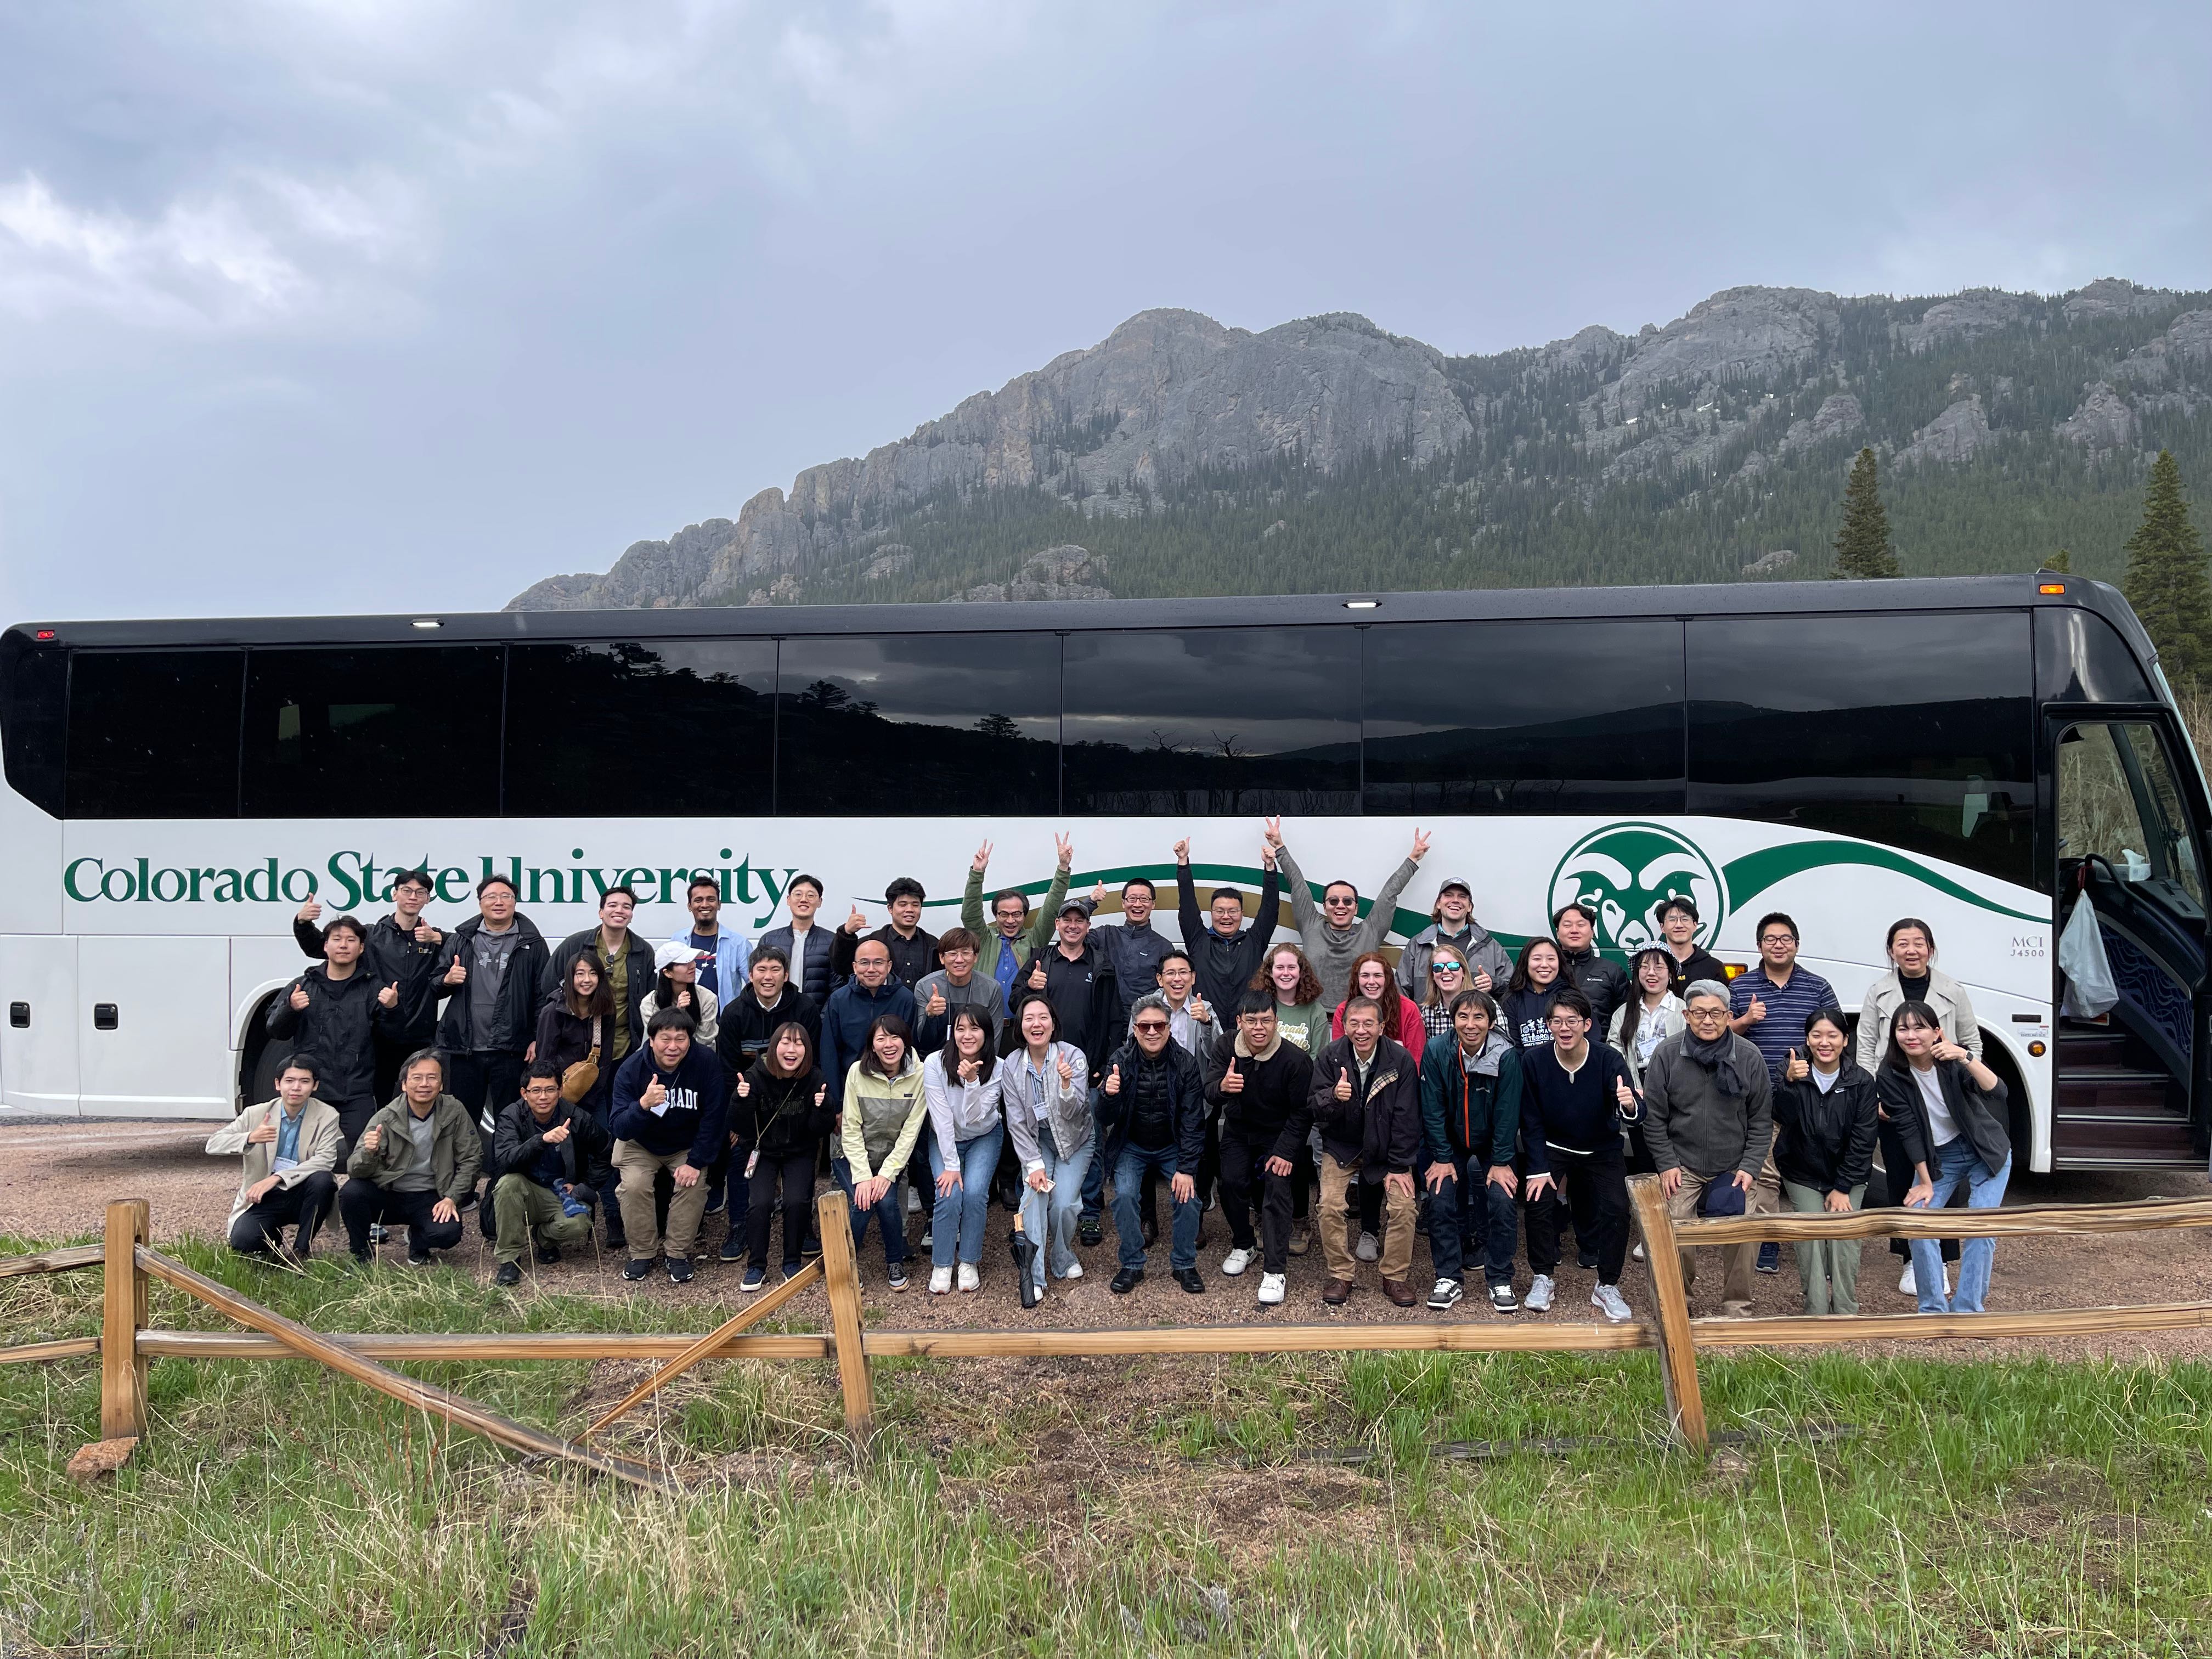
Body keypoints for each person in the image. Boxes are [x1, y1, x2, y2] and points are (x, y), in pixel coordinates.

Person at [1858, 919, 1981, 1297]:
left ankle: (1940, 1260)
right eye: (1902, 943)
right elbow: (1865, 1045)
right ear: (1891, 950)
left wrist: (1965, 1069)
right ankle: (1911, 1258)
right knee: (1900, 1176)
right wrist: (1873, 1094)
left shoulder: (1952, 991)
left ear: (1930, 948)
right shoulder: (1878, 993)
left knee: (1946, 1178)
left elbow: (1972, 1040)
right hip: (1894, 1098)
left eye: (1918, 943)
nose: (1911, 950)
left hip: (1943, 1102)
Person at [1643, 980, 1778, 1318]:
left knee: (1743, 1233)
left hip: (1734, 1164)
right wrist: (1666, 1163)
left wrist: (1749, 1167)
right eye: (1700, 1013)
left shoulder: (1748, 1056)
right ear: (1687, 1015)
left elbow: (1762, 1122)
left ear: (1729, 1015)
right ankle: (1679, 1304)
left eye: (1716, 1013)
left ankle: (1737, 1307)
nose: (1708, 1020)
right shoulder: (1667, 1054)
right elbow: (1654, 1118)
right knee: (1673, 1227)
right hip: (1682, 1164)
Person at [1877, 1001, 2012, 1315]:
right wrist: (1924, 1181)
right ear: (1894, 1034)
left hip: (1985, 1149)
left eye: (1919, 1027)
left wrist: (1965, 1057)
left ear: (1936, 1032)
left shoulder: (1952, 1059)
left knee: (1981, 1226)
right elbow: (1908, 1129)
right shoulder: (1890, 1072)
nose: (1911, 1036)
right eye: (1903, 1029)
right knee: (1918, 1222)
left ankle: (1968, 1309)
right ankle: (1933, 1310)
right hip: (1941, 1156)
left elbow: (1998, 1091)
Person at [1517, 988, 1639, 1323]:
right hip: (1554, 1147)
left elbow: (1635, 1109)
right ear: (1548, 1026)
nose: (1564, 1027)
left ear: (1587, 1024)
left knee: (1617, 1209)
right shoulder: (1534, 1061)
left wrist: (1629, 1104)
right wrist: (1538, 1168)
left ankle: (1608, 1284)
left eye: (1572, 1020)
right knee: (1538, 1200)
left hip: (1601, 1149)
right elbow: (1530, 1120)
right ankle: (1543, 1277)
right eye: (1556, 1021)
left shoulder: (1608, 1059)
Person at [1726, 911, 1832, 1277]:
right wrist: (1745, 1021)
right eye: (1770, 939)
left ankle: (1822, 1241)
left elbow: (1833, 1036)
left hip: (1810, 1096)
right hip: (1761, 1098)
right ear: (1759, 946)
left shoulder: (1817, 987)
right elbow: (1719, 1038)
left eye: (1785, 938)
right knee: (1765, 1175)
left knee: (1815, 1169)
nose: (1778, 944)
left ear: (1797, 945)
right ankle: (1768, 1240)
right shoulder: (1741, 988)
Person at [292, 867, 445, 1103]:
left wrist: (438, 939)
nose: (413, 897)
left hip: (420, 1036)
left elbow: (467, 947)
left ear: (428, 899)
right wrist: (303, 923)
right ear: (395, 895)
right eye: (407, 891)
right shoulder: (371, 935)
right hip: (378, 1035)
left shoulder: (433, 938)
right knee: (381, 1101)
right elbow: (318, 948)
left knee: (420, 1101)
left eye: (420, 892)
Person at [1308, 994, 1423, 1307]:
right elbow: (1313, 1109)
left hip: (1387, 1151)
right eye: (1354, 1023)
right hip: (1342, 1147)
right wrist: (1333, 1096)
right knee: (1329, 1205)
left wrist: (1399, 1166)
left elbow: (1407, 1117)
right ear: (1344, 1026)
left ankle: (1395, 1277)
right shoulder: (1329, 1058)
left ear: (1382, 1027)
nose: (1362, 1030)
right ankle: (1341, 1274)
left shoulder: (1400, 1061)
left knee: (1404, 1207)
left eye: (1369, 1023)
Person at [264, 915, 406, 1156]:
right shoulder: (303, 986)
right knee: (301, 1156)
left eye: (351, 940)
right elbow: (275, 1030)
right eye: (337, 939)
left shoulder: (374, 988)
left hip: (357, 1092)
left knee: (367, 1157)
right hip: (312, 1091)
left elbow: (394, 1037)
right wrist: (290, 1008)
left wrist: (393, 1010)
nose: (343, 945)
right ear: (325, 946)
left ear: (361, 948)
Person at [1205, 990, 1314, 1306]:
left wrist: (1286, 1151)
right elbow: (1210, 1090)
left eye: (1266, 1020)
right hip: (1239, 1130)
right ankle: (1244, 1244)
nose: (1259, 1028)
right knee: (1230, 1182)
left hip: (1279, 1134)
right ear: (1239, 1021)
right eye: (1251, 1021)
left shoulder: (1295, 1060)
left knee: (1277, 1188)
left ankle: (1275, 1270)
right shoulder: (1226, 1046)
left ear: (1276, 1021)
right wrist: (1223, 1088)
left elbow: (1303, 1113)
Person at [1098, 991, 1209, 1295]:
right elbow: (1105, 1117)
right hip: (1131, 1145)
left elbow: (1192, 1121)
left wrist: (1186, 1168)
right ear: (1134, 1029)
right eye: (1144, 1026)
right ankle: (1133, 1263)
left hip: (1171, 1144)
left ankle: (1185, 1263)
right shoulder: (1119, 1061)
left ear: (1169, 1028)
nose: (1151, 1032)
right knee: (1123, 1196)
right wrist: (1110, 1094)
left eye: (1158, 1026)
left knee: (1188, 1197)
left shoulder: (1185, 1063)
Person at [1418, 990, 1522, 1313]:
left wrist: (1503, 1161)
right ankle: (1448, 1276)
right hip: (1449, 1142)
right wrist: (1443, 1157)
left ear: (1491, 1022)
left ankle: (1500, 1278)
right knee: (1439, 1196)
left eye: (1479, 1017)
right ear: (1453, 1020)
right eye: (1463, 1016)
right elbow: (1431, 1109)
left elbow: (1508, 1113)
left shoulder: (1506, 1054)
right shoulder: (1436, 1050)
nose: (1471, 1024)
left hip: (1494, 1143)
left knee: (1503, 1201)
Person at [608, 1007, 728, 1284]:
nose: (673, 1047)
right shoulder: (631, 1069)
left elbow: (715, 1117)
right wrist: (642, 1105)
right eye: (665, 1039)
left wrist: (696, 1161)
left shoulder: (706, 1062)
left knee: (693, 1185)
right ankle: (641, 1253)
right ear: (651, 1040)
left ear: (690, 1040)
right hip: (641, 1144)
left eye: (680, 1039)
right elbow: (618, 1127)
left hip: (686, 1144)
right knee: (634, 1185)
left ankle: (677, 1254)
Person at [1773, 1008, 1880, 1315]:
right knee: (1811, 1238)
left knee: (1844, 1240)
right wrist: (1790, 1084)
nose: (1825, 1043)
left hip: (1847, 1175)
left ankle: (1846, 1310)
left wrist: (1843, 1187)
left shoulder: (1861, 1081)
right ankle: (1816, 1310)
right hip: (1802, 1171)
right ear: (1807, 1039)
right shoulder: (1791, 1069)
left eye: (1833, 1035)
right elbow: (1781, 1116)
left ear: (1845, 1040)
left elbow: (1864, 1140)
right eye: (1817, 1035)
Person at [430, 875, 550, 1137]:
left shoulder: (533, 943)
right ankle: (463, 1176)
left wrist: (536, 1039)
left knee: (510, 1121)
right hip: (465, 1047)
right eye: (491, 897)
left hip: (511, 1048)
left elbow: (544, 996)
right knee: (461, 1122)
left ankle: (504, 1177)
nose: (498, 902)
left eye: (506, 897)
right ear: (480, 902)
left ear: (515, 902)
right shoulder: (462, 938)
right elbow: (434, 986)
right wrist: (447, 980)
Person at [339, 1049, 481, 1267]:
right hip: (390, 1192)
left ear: (441, 1085)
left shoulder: (454, 1111)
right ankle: (361, 1253)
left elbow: (472, 1158)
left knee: (448, 1233)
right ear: (404, 1084)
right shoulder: (386, 1117)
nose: (425, 1084)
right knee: (351, 1192)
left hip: (431, 1195)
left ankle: (419, 1242)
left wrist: (451, 1197)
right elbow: (355, 1170)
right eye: (417, 1078)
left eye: (432, 1078)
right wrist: (370, 1152)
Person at [1266, 819, 1428, 1009]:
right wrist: (1279, 847)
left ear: (1356, 908)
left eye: (1348, 901)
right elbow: (1297, 884)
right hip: (1315, 1018)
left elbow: (1389, 894)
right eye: (1333, 901)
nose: (1340, 906)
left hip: (1360, 1018)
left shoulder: (1370, 931)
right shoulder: (1312, 926)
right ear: (1325, 907)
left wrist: (1413, 859)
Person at [997, 992, 1093, 1297]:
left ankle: (1063, 1257)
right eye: (1029, 1018)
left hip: (1075, 1140)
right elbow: (1016, 1121)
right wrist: (1034, 1165)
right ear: (1020, 1027)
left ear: (1053, 1024)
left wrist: (1065, 1084)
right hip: (1038, 1143)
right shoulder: (1011, 1065)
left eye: (1043, 1018)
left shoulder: (1072, 1056)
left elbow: (1075, 1112)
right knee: (1034, 1199)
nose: (1036, 1024)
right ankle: (1036, 1276)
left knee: (1064, 1204)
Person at [205, 1053, 341, 1260]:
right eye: (289, 1081)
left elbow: (326, 1159)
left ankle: (301, 1251)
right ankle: (273, 1244)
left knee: (323, 1180)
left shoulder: (328, 1115)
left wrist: (277, 1178)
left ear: (315, 1086)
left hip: (303, 1191)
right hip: (264, 1195)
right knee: (243, 1240)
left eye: (305, 1081)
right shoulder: (255, 1113)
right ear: (278, 1084)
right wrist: (250, 1137)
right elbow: (213, 1144)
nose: (296, 1088)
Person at [728, 1022, 832, 1291]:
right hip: (763, 1150)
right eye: (786, 1042)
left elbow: (819, 1130)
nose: (792, 1049)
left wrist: (823, 1110)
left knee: (796, 1201)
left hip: (799, 1151)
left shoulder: (816, 1079)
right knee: (760, 1203)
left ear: (807, 1051)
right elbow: (740, 1126)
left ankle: (792, 1262)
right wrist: (741, 1101)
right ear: (774, 1047)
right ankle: (757, 1265)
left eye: (799, 1043)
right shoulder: (754, 1076)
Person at [487, 1062, 610, 1287]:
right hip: (526, 1189)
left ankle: (544, 1238)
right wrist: (540, 1141)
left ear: (560, 1091)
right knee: (507, 1184)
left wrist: (585, 1186)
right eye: (536, 1090)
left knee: (580, 1223)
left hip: (560, 1191)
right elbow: (505, 1159)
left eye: (550, 1089)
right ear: (525, 1093)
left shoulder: (576, 1117)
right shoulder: (511, 1116)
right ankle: (509, 1259)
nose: (543, 1097)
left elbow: (607, 1150)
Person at [533, 952, 622, 1242]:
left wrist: (592, 1100)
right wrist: (557, 1102)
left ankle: (613, 1220)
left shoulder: (604, 1011)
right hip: (558, 1097)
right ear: (570, 978)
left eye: (593, 974)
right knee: (560, 1156)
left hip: (594, 1096)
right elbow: (543, 1063)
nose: (587, 980)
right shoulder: (553, 1012)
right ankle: (556, 1218)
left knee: (606, 1151)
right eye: (580, 974)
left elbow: (605, 1061)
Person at [839, 1014, 928, 1289]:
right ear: (872, 1045)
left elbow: (910, 1133)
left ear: (906, 1042)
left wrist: (887, 1175)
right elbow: (850, 1128)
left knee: (887, 1202)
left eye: (895, 1037)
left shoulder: (920, 1075)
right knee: (863, 1203)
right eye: (881, 1039)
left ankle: (894, 1261)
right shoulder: (857, 1073)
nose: (889, 1045)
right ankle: (845, 1265)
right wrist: (864, 1176)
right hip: (851, 1156)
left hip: (891, 1158)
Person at [920, 1006, 1004, 1295]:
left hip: (984, 1135)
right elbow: (941, 1118)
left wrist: (972, 1082)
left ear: (987, 1033)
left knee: (976, 1192)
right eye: (960, 1029)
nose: (967, 1036)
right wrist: (952, 1165)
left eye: (975, 1029)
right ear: (952, 1032)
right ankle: (943, 1263)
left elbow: (975, 1118)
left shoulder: (998, 1066)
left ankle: (969, 1261)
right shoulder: (934, 1063)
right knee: (948, 1191)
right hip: (944, 1138)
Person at [544, 887, 655, 1075]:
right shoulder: (574, 945)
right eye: (613, 905)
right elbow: (548, 987)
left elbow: (651, 998)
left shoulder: (643, 951)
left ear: (632, 915)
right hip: (575, 1047)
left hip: (623, 1047)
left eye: (626, 907)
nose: (620, 910)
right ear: (601, 912)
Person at [1174, 833, 1281, 1020]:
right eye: (1220, 911)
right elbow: (1188, 905)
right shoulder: (1198, 940)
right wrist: (1183, 863)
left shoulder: (1254, 941)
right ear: (1211, 913)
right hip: (1205, 1027)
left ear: (1241, 914)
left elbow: (1270, 910)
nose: (1226, 917)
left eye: (1233, 911)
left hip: (1247, 1028)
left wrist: (1270, 868)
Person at [962, 837, 1074, 1015]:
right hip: (986, 1026)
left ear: (1024, 915)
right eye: (1004, 914)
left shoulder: (1035, 939)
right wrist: (977, 874)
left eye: (1017, 914)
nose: (1010, 921)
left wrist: (1063, 868)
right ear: (996, 915)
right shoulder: (983, 938)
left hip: (1024, 1026)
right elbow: (970, 914)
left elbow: (1052, 909)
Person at [819, 938, 918, 1110]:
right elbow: (830, 1052)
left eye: (878, 963)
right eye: (864, 963)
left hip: (893, 1095)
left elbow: (911, 1050)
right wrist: (836, 1104)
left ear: (889, 966)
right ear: (855, 966)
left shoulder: (905, 999)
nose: (871, 969)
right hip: (849, 1092)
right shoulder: (839, 999)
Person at [1397, 876, 1513, 1002]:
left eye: (1462, 897)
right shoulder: (1417, 945)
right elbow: (1401, 993)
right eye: (1449, 895)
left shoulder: (1490, 946)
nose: (1455, 900)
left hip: (1474, 1021)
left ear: (1470, 907)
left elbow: (1513, 990)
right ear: (1438, 904)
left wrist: (1494, 984)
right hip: (1428, 1021)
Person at [1086, 875, 1176, 1017]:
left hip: (1142, 1027)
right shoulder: (1105, 934)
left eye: (1144, 899)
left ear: (1153, 904)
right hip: (1103, 1024)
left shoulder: (1164, 947)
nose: (1138, 904)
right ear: (1123, 903)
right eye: (1132, 899)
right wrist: (1090, 903)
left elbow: (1170, 993)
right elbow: (1073, 934)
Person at [833, 876, 939, 990]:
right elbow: (841, 968)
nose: (910, 909)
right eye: (903, 904)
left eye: (915, 905)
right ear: (890, 908)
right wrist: (847, 933)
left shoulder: (934, 945)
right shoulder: (871, 943)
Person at [1608, 947, 1686, 1097]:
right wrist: (1630, 1085)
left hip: (1675, 1090)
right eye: (1645, 967)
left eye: (1659, 968)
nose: (1651, 973)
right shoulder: (1623, 1012)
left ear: (1670, 974)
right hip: (1634, 1089)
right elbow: (1615, 1049)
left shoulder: (1683, 1010)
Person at [914, 928, 998, 1055]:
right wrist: (930, 1015)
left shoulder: (991, 988)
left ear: (976, 957)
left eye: (966, 953)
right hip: (935, 1063)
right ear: (942, 958)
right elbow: (922, 1042)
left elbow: (994, 1038)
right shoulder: (925, 986)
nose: (959, 960)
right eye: (952, 954)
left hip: (977, 1063)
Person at [673, 874, 751, 1007]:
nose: (705, 905)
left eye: (711, 899)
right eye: (698, 900)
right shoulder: (677, 941)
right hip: (685, 1023)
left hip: (724, 1024)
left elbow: (754, 984)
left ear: (719, 905)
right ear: (690, 906)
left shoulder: (739, 944)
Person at [758, 873, 836, 1002]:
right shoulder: (769, 940)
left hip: (816, 1017)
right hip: (778, 1017)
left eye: (811, 895)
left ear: (820, 902)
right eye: (798, 894)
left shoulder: (832, 941)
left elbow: (836, 987)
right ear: (789, 900)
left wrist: (822, 1018)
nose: (804, 900)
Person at [1553, 902, 1630, 1031]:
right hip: (1551, 1048)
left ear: (1592, 932)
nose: (1574, 930)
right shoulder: (1545, 970)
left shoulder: (1613, 971)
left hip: (1600, 1048)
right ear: (1558, 933)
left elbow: (1627, 1017)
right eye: (1567, 925)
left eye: (1581, 925)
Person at [1328, 951, 1423, 1049]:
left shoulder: (1409, 1010)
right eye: (1365, 976)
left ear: (1387, 979)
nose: (1371, 982)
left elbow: (1416, 1057)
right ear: (1357, 980)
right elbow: (1339, 1054)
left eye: (1378, 976)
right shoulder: (1343, 1011)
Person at [640, 941, 720, 1047]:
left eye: (692, 960)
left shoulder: (707, 998)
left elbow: (705, 1041)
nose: (692, 966)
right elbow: (660, 1041)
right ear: (667, 972)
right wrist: (677, 1014)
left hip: (699, 1057)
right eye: (684, 963)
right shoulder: (649, 1003)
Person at [1653, 896, 1728, 1000]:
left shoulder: (1713, 966)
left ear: (1695, 925)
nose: (1679, 925)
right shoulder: (1652, 966)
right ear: (1662, 927)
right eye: (1672, 920)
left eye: (1685, 919)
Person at [1499, 939, 1564, 1052]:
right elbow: (1511, 1047)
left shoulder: (1573, 997)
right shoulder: (1511, 1000)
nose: (1544, 965)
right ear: (1526, 962)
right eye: (1537, 959)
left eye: (1551, 959)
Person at [1155, 950, 1218, 1058]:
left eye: (1183, 972)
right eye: (1171, 973)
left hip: (1193, 1074)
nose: (1177, 979)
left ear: (1193, 977)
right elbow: (1132, 1051)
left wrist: (1206, 1023)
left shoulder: (1204, 1010)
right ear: (1160, 979)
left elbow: (1218, 1055)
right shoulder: (1144, 1009)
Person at [1416, 942, 1475, 1043]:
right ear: (1433, 976)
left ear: (1464, 972)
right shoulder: (1427, 1012)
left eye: (1453, 966)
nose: (1446, 971)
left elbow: (1503, 1048)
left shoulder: (1486, 1006)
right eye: (1438, 967)